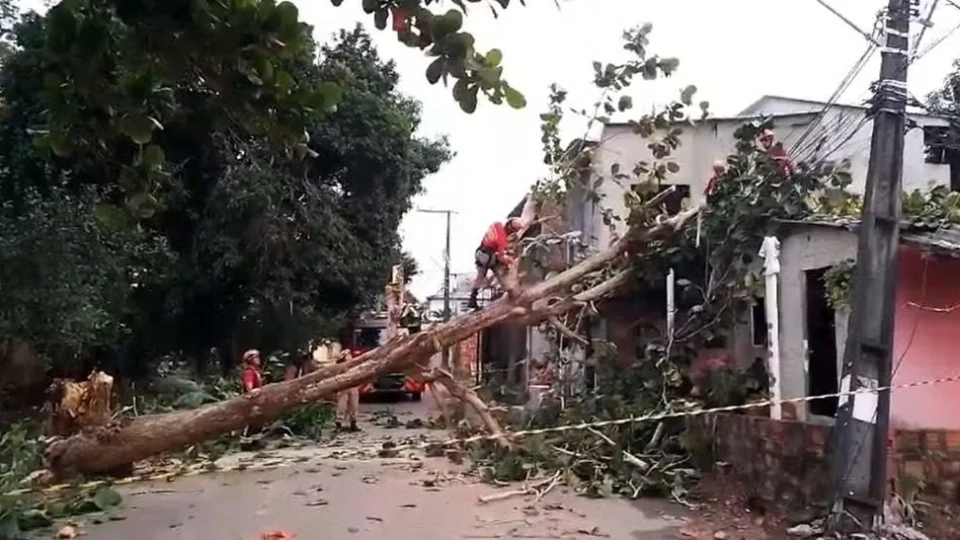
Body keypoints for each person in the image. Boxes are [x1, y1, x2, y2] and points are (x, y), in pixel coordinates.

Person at [467, 217, 523, 310]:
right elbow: (501, 257)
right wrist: (511, 262)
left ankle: (472, 298)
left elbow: (493, 241)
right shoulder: (502, 240)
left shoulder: (497, 224)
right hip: (489, 257)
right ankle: (511, 292)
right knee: (502, 273)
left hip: (480, 253)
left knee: (480, 276)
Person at [334, 349, 360, 432]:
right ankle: (339, 423)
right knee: (342, 405)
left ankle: (353, 423)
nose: (349, 357)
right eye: (347, 355)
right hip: (344, 386)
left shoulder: (354, 365)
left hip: (353, 386)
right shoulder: (340, 366)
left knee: (354, 405)